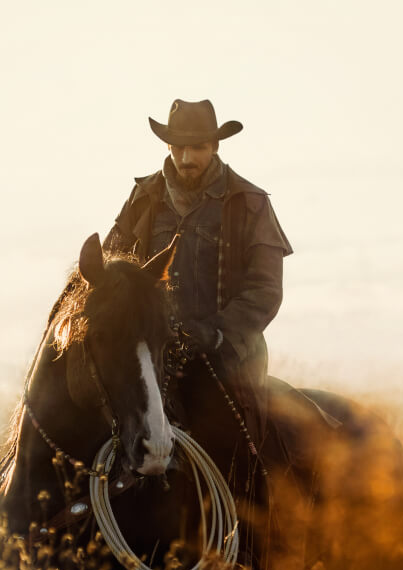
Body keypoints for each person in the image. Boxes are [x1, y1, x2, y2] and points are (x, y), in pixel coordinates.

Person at [102, 99, 292, 446]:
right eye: (179, 147)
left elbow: (265, 288)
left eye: (198, 148)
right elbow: (110, 268)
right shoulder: (143, 198)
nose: (187, 158)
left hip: (226, 359)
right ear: (169, 146)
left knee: (238, 445)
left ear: (215, 146)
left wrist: (215, 334)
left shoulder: (250, 202)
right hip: (150, 355)